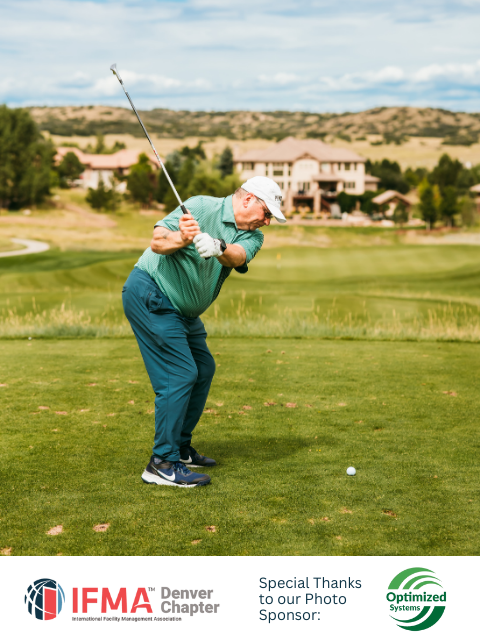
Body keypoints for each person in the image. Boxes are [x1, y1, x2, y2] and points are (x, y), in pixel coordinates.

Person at [122, 176, 286, 487]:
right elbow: (158, 242)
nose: (266, 222)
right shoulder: (198, 206)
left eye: (270, 218)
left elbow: (237, 255)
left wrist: (217, 245)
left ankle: (180, 447)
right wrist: (182, 239)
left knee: (204, 368)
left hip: (184, 312)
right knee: (180, 373)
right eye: (266, 213)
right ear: (248, 199)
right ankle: (161, 463)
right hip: (152, 293)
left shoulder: (253, 236)